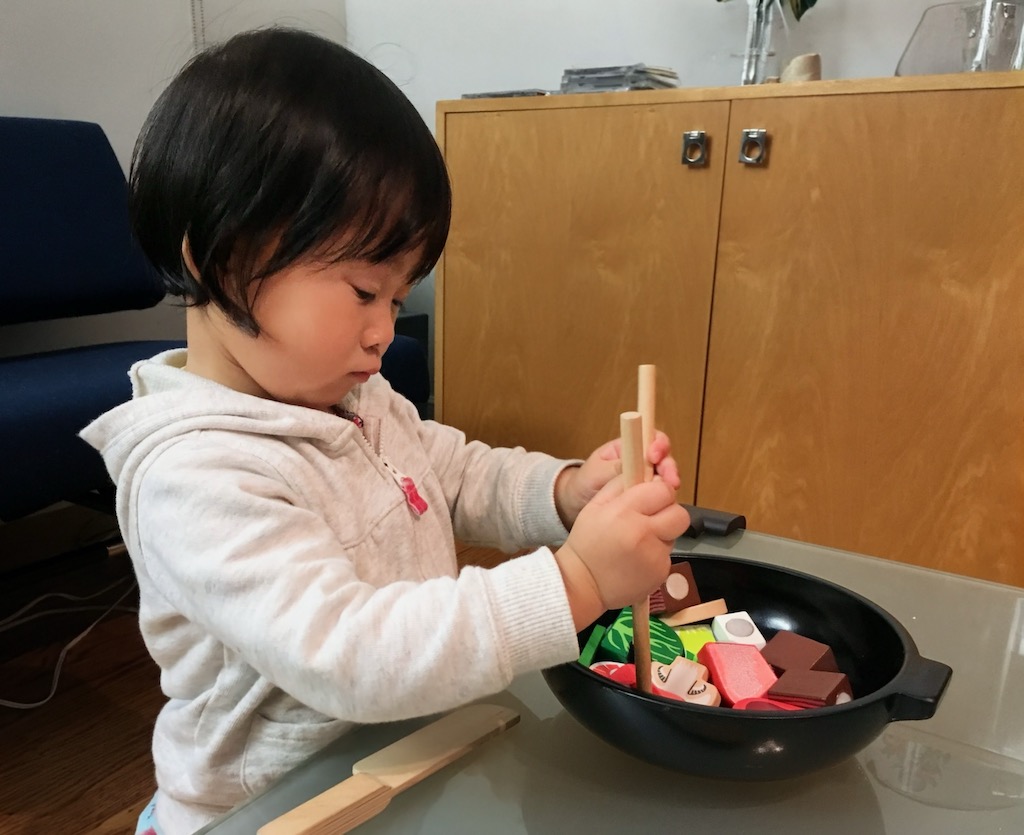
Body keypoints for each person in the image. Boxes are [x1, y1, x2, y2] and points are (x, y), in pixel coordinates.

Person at [81, 27, 690, 835]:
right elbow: (351, 655)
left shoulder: (353, 396)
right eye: (366, 289)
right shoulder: (195, 474)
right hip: (277, 808)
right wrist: (573, 580)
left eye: (398, 300)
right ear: (219, 259)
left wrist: (566, 491)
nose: (383, 331)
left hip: (410, 751)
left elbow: (459, 473)